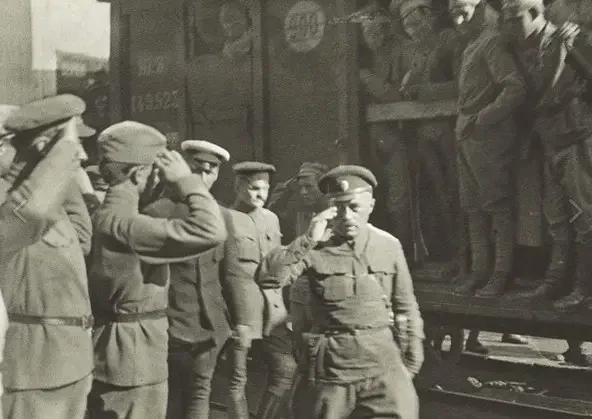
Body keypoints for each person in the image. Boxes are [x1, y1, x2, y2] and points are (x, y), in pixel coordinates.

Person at [257, 165, 424, 419]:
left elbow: (406, 305)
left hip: (382, 366)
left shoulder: (388, 246)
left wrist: (412, 356)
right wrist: (307, 239)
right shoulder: (315, 247)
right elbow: (268, 278)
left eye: (355, 207)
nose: (347, 216)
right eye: (339, 207)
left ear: (371, 206)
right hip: (332, 371)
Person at [86, 122, 227, 419]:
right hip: (135, 358)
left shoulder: (105, 215)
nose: (159, 179)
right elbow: (211, 230)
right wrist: (187, 181)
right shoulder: (127, 226)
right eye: (155, 171)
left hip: (120, 351)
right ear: (140, 173)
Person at [493, 0, 592, 363]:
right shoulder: (534, 46)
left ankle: (583, 289)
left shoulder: (574, 40)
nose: (510, 26)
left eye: (515, 19)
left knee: (584, 217)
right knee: (556, 217)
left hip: (576, 137)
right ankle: (554, 282)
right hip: (551, 140)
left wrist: (570, 56)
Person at [0, 95, 94, 419]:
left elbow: (82, 237)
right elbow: (31, 212)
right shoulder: (14, 204)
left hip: (72, 360)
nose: (82, 155)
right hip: (34, 368)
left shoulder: (47, 197)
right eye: (75, 146)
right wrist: (62, 153)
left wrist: (63, 169)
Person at [145, 139, 233, 419]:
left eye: (211, 170)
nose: (204, 177)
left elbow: (229, 275)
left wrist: (230, 324)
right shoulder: (157, 213)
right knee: (172, 400)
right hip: (173, 328)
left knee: (200, 395)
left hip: (210, 327)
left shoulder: (220, 214)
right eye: (197, 169)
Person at [223, 161, 296, 419]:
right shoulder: (225, 218)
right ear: (238, 187)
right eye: (254, 188)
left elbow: (276, 263)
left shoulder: (271, 219)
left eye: (265, 189)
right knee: (237, 380)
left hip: (272, 313)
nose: (261, 195)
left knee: (286, 371)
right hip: (239, 314)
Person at [267, 162, 329, 244]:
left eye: (309, 186)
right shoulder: (298, 209)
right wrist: (288, 189)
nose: (303, 192)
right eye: (300, 187)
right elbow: (271, 213)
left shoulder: (336, 210)